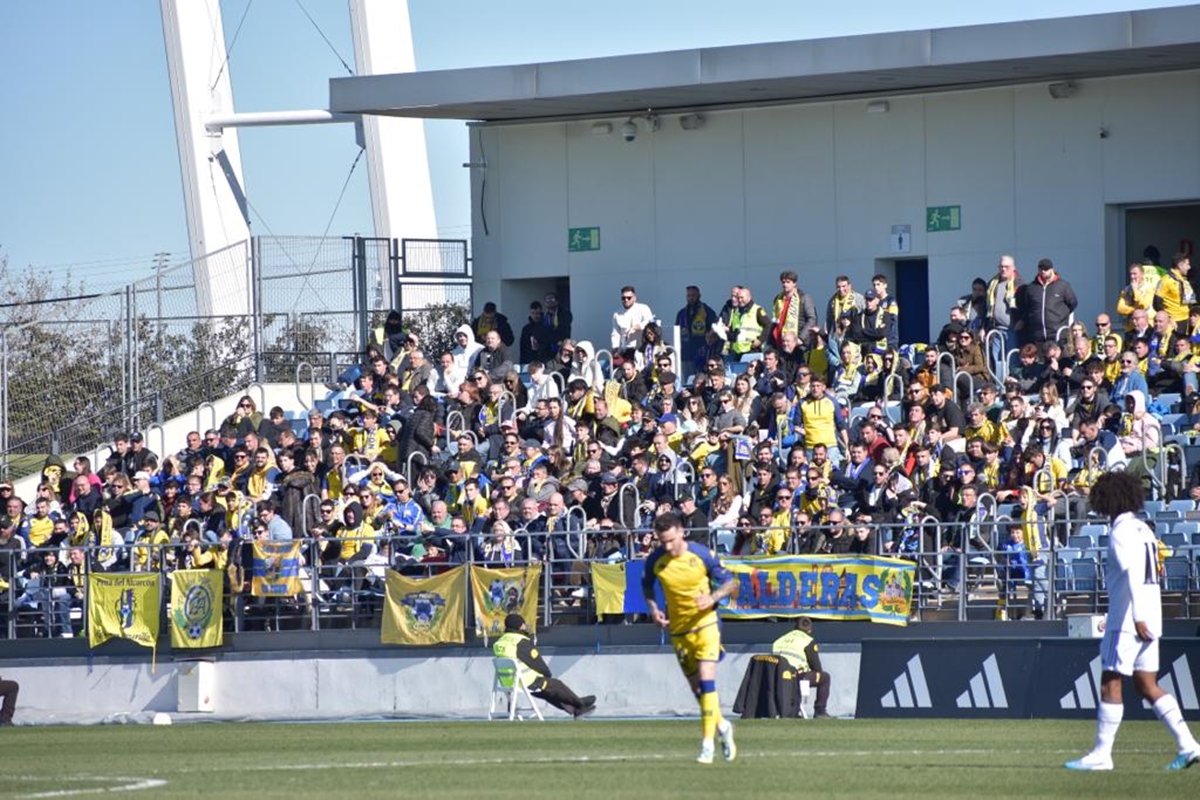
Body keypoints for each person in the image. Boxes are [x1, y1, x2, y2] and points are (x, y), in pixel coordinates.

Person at [1065, 471, 1200, 772]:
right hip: (1152, 615)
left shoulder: (1121, 532)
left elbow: (1134, 574)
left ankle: (1102, 754)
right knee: (1146, 684)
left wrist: (1137, 617)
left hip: (1127, 619)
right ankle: (1189, 745)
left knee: (1110, 683)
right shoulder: (1143, 528)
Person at [643, 512, 737, 764]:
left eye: (671, 540)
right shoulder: (655, 560)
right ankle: (723, 727)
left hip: (706, 623)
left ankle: (707, 745)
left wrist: (712, 598)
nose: (668, 546)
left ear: (682, 532)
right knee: (698, 690)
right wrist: (653, 609)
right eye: (663, 542)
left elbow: (729, 582)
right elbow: (647, 586)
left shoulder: (701, 554)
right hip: (679, 630)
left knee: (707, 681)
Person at [492, 613, 596, 718]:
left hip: (507, 682)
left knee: (547, 689)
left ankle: (576, 708)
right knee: (555, 685)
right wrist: (547, 674)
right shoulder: (521, 642)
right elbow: (538, 663)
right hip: (525, 682)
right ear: (520, 626)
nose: (525, 626)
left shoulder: (499, 642)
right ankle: (580, 704)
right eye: (523, 624)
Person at [770, 616, 832, 718]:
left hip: (776, 677)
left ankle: (789, 709)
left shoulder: (779, 639)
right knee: (824, 677)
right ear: (810, 630)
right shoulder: (807, 640)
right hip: (796, 676)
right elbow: (816, 666)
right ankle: (820, 711)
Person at [1016, 258, 1077, 345]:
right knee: (1040, 358)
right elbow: (1027, 307)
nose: (1043, 271)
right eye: (1041, 269)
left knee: (1058, 358)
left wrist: (1060, 315)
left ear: (1052, 269)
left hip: (1057, 335)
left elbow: (1073, 303)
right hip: (1037, 336)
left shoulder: (1063, 286)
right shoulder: (1031, 288)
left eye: (1046, 269)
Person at [676, 285, 717, 367]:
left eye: (693, 295)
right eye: (689, 296)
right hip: (685, 354)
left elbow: (715, 330)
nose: (691, 298)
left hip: (702, 354)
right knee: (688, 379)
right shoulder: (682, 313)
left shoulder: (707, 311)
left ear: (699, 296)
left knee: (701, 378)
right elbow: (676, 332)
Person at [611, 285, 654, 354]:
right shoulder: (617, 314)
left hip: (642, 349)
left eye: (629, 298)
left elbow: (649, 322)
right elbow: (615, 334)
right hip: (625, 350)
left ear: (634, 298)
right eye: (623, 298)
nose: (626, 300)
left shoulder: (643, 308)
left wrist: (635, 327)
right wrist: (615, 348)